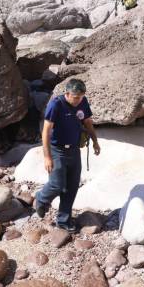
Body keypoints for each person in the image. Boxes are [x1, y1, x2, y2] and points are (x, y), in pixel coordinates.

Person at [34, 79, 101, 232]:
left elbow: (88, 122)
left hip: (74, 150)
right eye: (76, 97)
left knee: (71, 186)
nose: (79, 100)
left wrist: (95, 141)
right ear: (67, 94)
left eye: (81, 97)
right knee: (57, 185)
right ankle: (41, 198)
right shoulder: (56, 104)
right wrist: (47, 157)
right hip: (57, 150)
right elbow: (45, 131)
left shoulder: (83, 102)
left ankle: (63, 220)